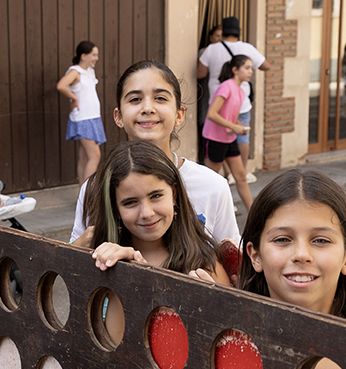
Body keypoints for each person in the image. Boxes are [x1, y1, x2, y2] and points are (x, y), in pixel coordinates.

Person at [205, 168, 346, 369]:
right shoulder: (223, 350)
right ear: (255, 255)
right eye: (282, 239)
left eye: (321, 240)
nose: (301, 254)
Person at [69, 60, 239, 246]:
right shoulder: (93, 188)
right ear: (118, 116)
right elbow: (73, 262)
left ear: (179, 115)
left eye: (160, 98)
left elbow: (231, 262)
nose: (148, 108)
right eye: (135, 100)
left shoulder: (213, 186)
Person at [79, 141, 230, 342]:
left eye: (156, 196)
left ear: (174, 194)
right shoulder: (100, 259)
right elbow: (114, 346)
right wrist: (127, 276)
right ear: (115, 208)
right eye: (130, 202)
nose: (147, 213)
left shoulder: (205, 263)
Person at [197, 16, 270, 183]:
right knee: (241, 136)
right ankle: (240, 172)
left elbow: (200, 74)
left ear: (223, 32)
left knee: (220, 138)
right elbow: (267, 65)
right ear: (239, 32)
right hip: (240, 102)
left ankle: (227, 174)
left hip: (218, 100)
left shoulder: (212, 49)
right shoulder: (247, 48)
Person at [203, 54, 255, 213]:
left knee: (241, 177)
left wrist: (240, 126)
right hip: (215, 139)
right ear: (235, 70)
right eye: (247, 68)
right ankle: (200, 216)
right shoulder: (226, 86)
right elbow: (212, 114)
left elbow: (230, 116)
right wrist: (235, 126)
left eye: (251, 68)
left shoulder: (240, 91)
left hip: (230, 138)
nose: (250, 71)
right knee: (209, 182)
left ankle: (255, 216)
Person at [56, 40, 106, 185]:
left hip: (92, 117)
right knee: (95, 155)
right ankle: (87, 193)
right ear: (83, 55)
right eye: (94, 55)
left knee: (84, 157)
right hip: (83, 119)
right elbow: (61, 85)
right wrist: (73, 99)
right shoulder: (75, 71)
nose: (96, 58)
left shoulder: (89, 71)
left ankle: (81, 194)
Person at [196, 25, 224, 132]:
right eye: (217, 36)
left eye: (222, 36)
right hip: (206, 85)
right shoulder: (205, 51)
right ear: (211, 37)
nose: (220, 39)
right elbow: (200, 73)